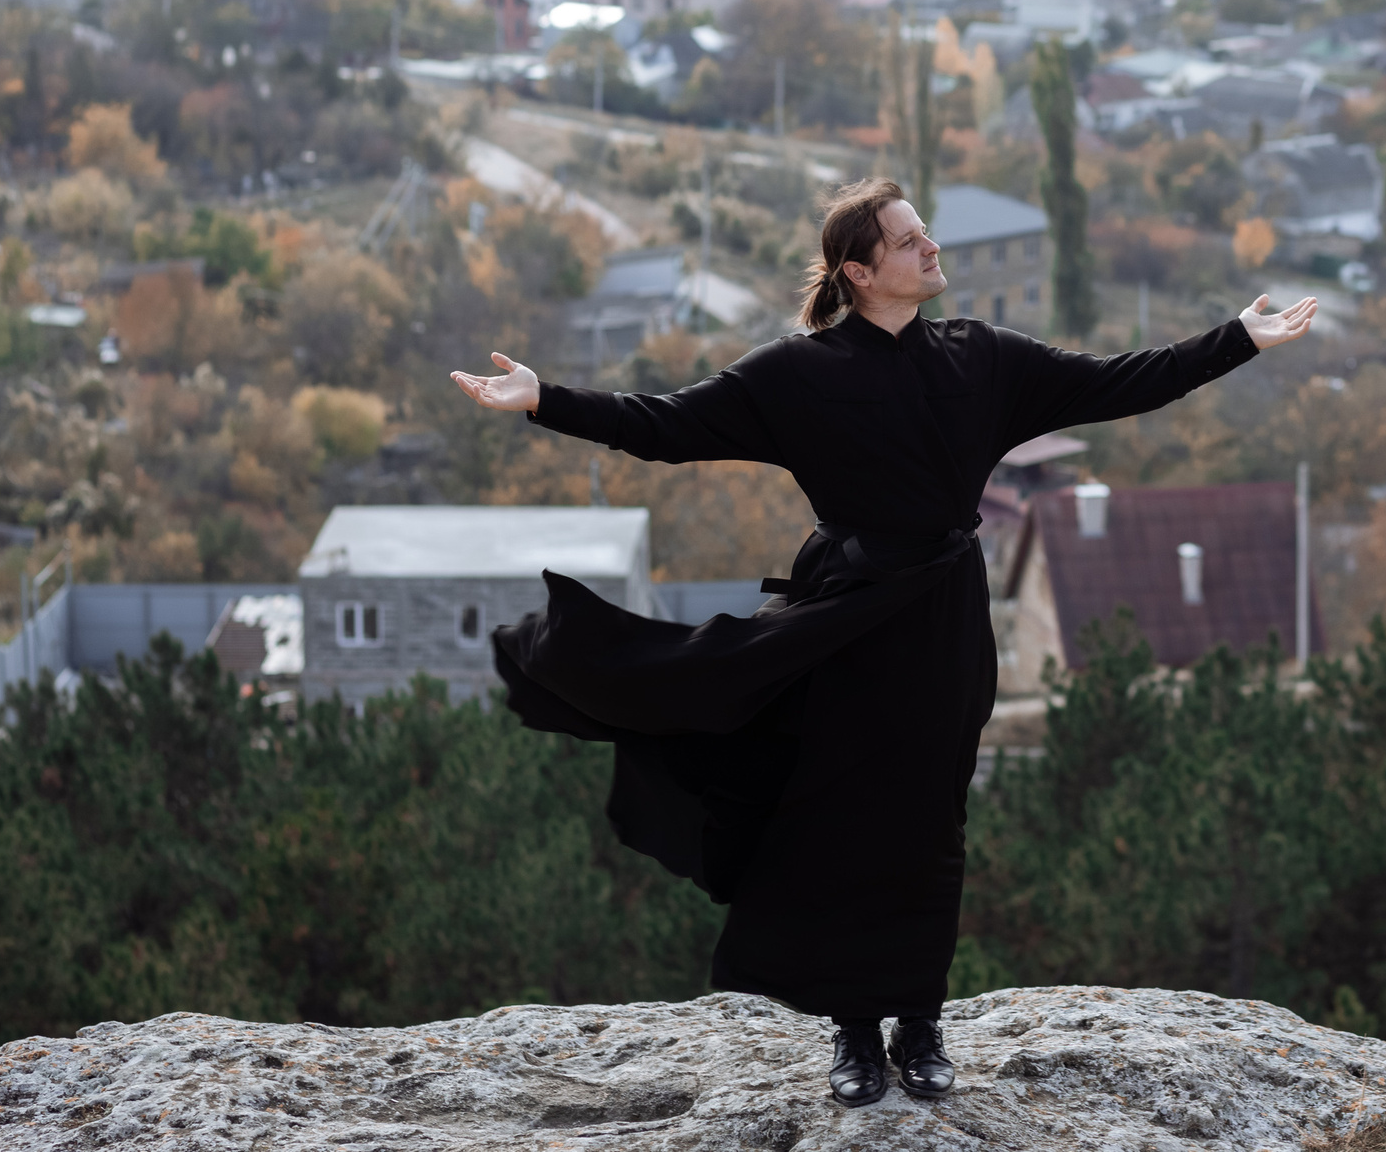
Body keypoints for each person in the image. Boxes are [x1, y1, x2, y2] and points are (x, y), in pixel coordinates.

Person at [451, 178, 1314, 1107]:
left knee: (932, 824)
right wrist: (546, 399)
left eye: (924, 232)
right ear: (859, 271)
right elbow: (663, 425)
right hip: (848, 615)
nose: (930, 247)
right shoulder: (795, 373)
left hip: (944, 617)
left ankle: (922, 1021)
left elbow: (1117, 380)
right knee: (846, 820)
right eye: (908, 241)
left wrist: (1237, 339)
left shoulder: (983, 357)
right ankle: (856, 1035)